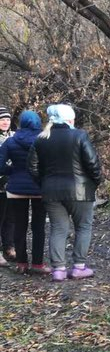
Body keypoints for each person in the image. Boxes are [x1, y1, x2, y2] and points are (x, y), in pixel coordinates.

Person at [27, 104, 103, 281]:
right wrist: (94, 183)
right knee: (83, 227)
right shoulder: (79, 135)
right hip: (80, 191)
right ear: (70, 119)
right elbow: (93, 164)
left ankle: (59, 270)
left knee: (58, 229)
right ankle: (78, 267)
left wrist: (44, 183)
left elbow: (32, 167)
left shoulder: (40, 138)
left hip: (51, 192)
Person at [0, 111, 47, 275]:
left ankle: (21, 263)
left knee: (19, 225)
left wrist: (12, 171)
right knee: (38, 226)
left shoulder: (10, 141)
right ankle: (38, 263)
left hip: (16, 189)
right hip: (40, 188)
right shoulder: (44, 141)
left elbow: (0, 166)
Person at [0, 106, 15, 263]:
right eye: (2, 119)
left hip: (11, 184)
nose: (5, 122)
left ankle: (9, 247)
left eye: (7, 119)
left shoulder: (14, 136)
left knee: (10, 217)